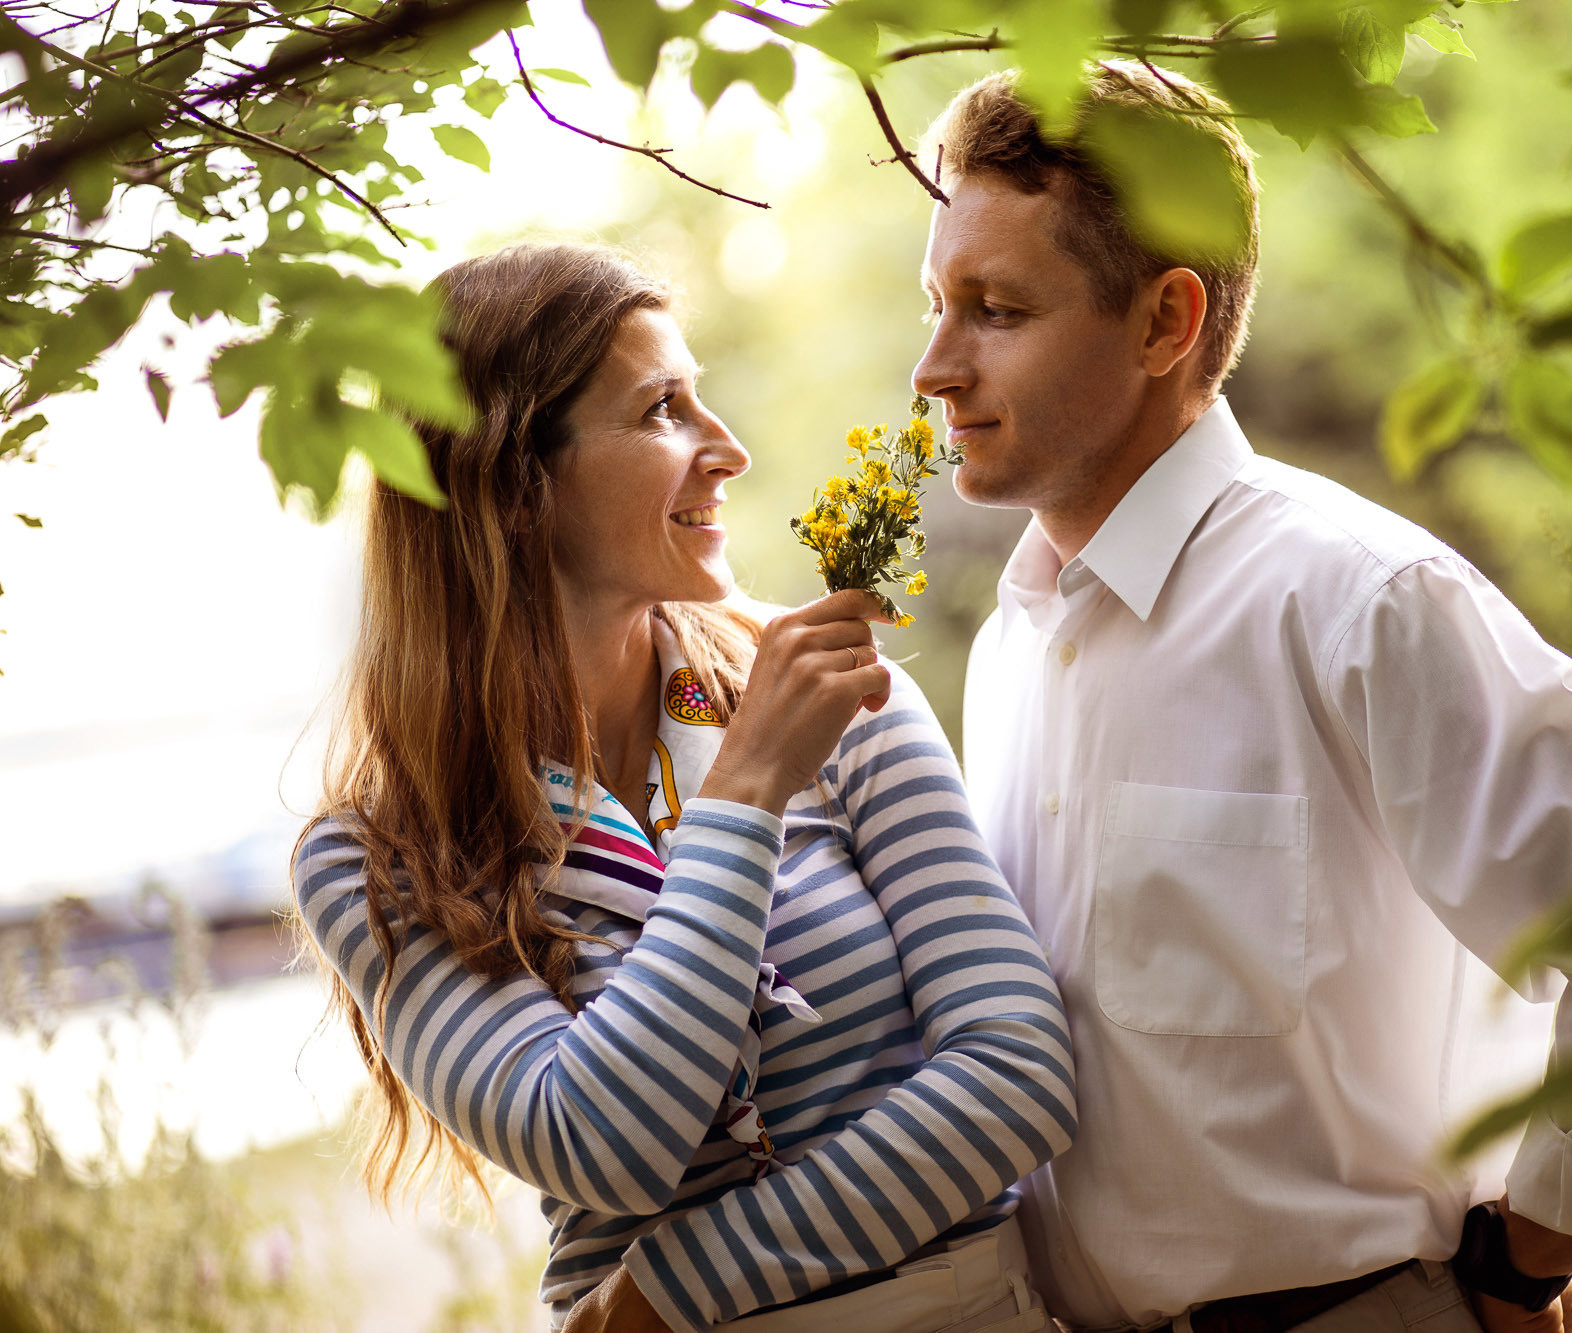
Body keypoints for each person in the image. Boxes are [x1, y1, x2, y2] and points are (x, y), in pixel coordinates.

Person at [912, 65, 1572, 1333]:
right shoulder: (1009, 646)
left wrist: (1521, 1263)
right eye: (935, 304)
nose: (932, 367)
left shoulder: (1359, 603)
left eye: (994, 309)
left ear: (1163, 323)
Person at [291, 243, 1076, 1333]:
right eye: (664, 409)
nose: (730, 450)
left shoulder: (836, 697)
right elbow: (599, 1144)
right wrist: (744, 796)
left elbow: (1019, 1073)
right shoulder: (377, 854)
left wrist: (665, 1290)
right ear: (516, 486)